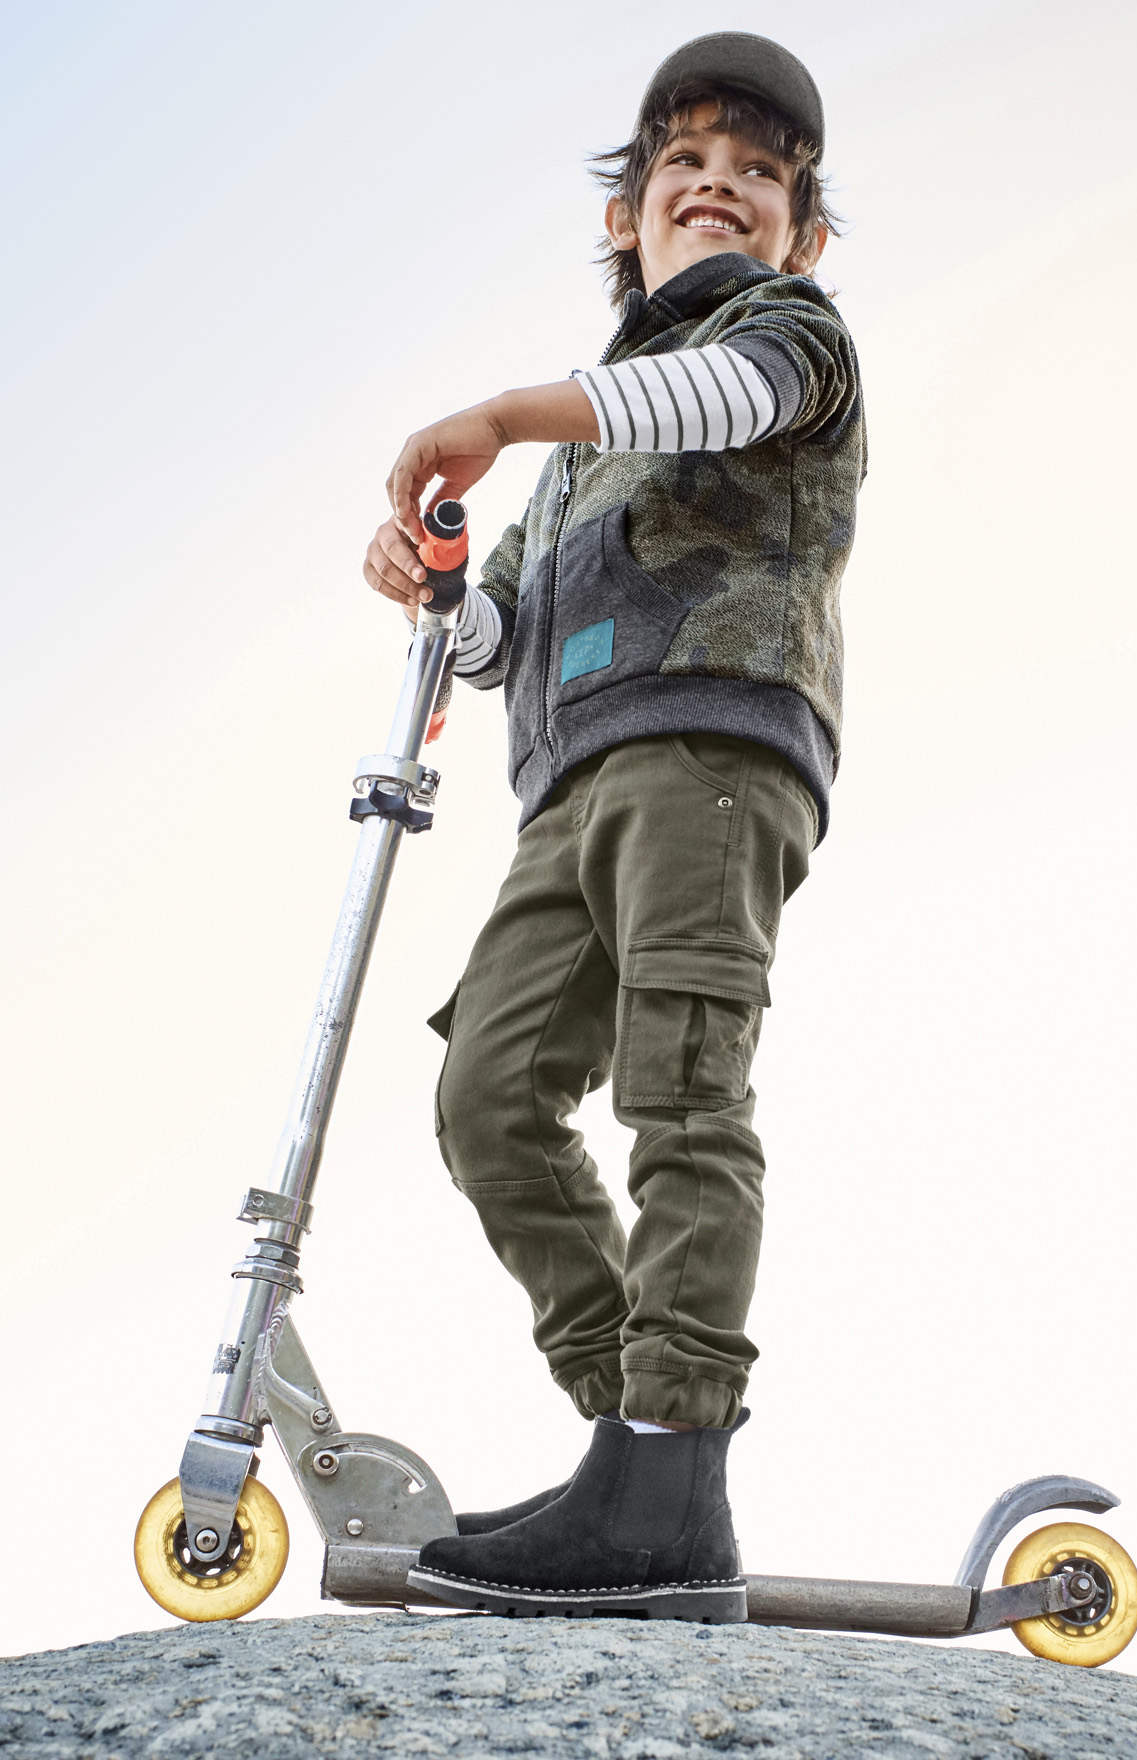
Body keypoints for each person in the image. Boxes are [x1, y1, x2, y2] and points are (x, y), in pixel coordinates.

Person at [362, 32, 864, 1622]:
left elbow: (713, 397)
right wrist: (440, 591)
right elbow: (493, 643)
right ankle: (631, 1457)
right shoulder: (573, 461)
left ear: (802, 232)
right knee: (489, 1098)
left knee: (681, 1091)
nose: (720, 184)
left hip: (712, 742)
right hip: (565, 787)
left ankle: (669, 1462)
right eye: (685, 165)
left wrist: (505, 411)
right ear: (624, 217)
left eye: (760, 174)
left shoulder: (787, 337)